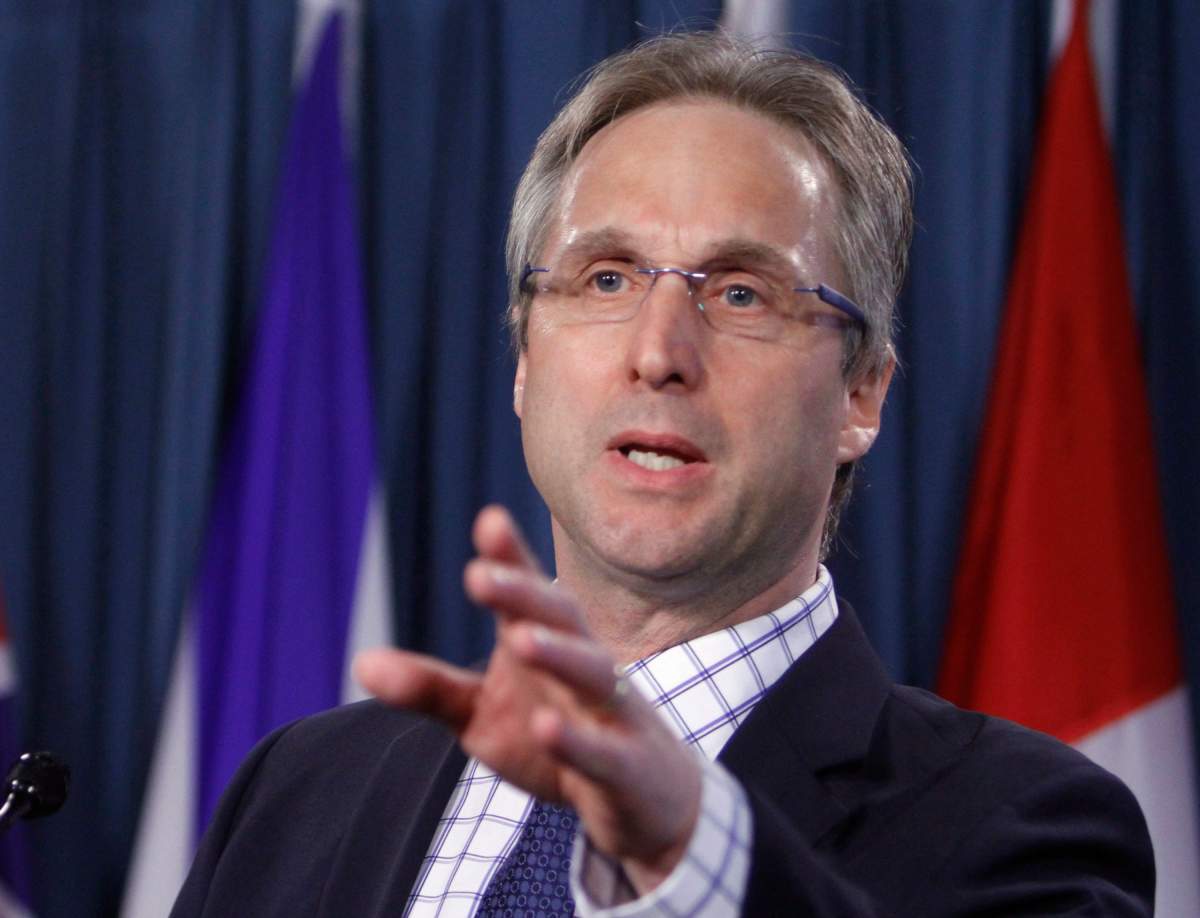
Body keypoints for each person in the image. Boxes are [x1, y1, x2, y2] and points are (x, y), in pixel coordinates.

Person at [171, 30, 1154, 917]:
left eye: (741, 292)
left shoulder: (1029, 828)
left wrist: (692, 851)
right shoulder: (296, 792)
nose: (659, 351)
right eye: (607, 278)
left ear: (861, 394)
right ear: (524, 358)